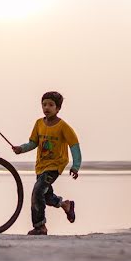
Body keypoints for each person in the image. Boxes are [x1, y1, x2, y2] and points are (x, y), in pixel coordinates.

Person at [13, 91, 82, 235]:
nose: (47, 107)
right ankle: (66, 205)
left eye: (51, 105)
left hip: (55, 166)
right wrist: (21, 149)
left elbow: (74, 145)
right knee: (46, 197)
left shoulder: (63, 126)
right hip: (40, 166)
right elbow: (33, 143)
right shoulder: (39, 123)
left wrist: (76, 166)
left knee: (37, 192)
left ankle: (40, 226)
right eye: (44, 104)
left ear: (58, 109)